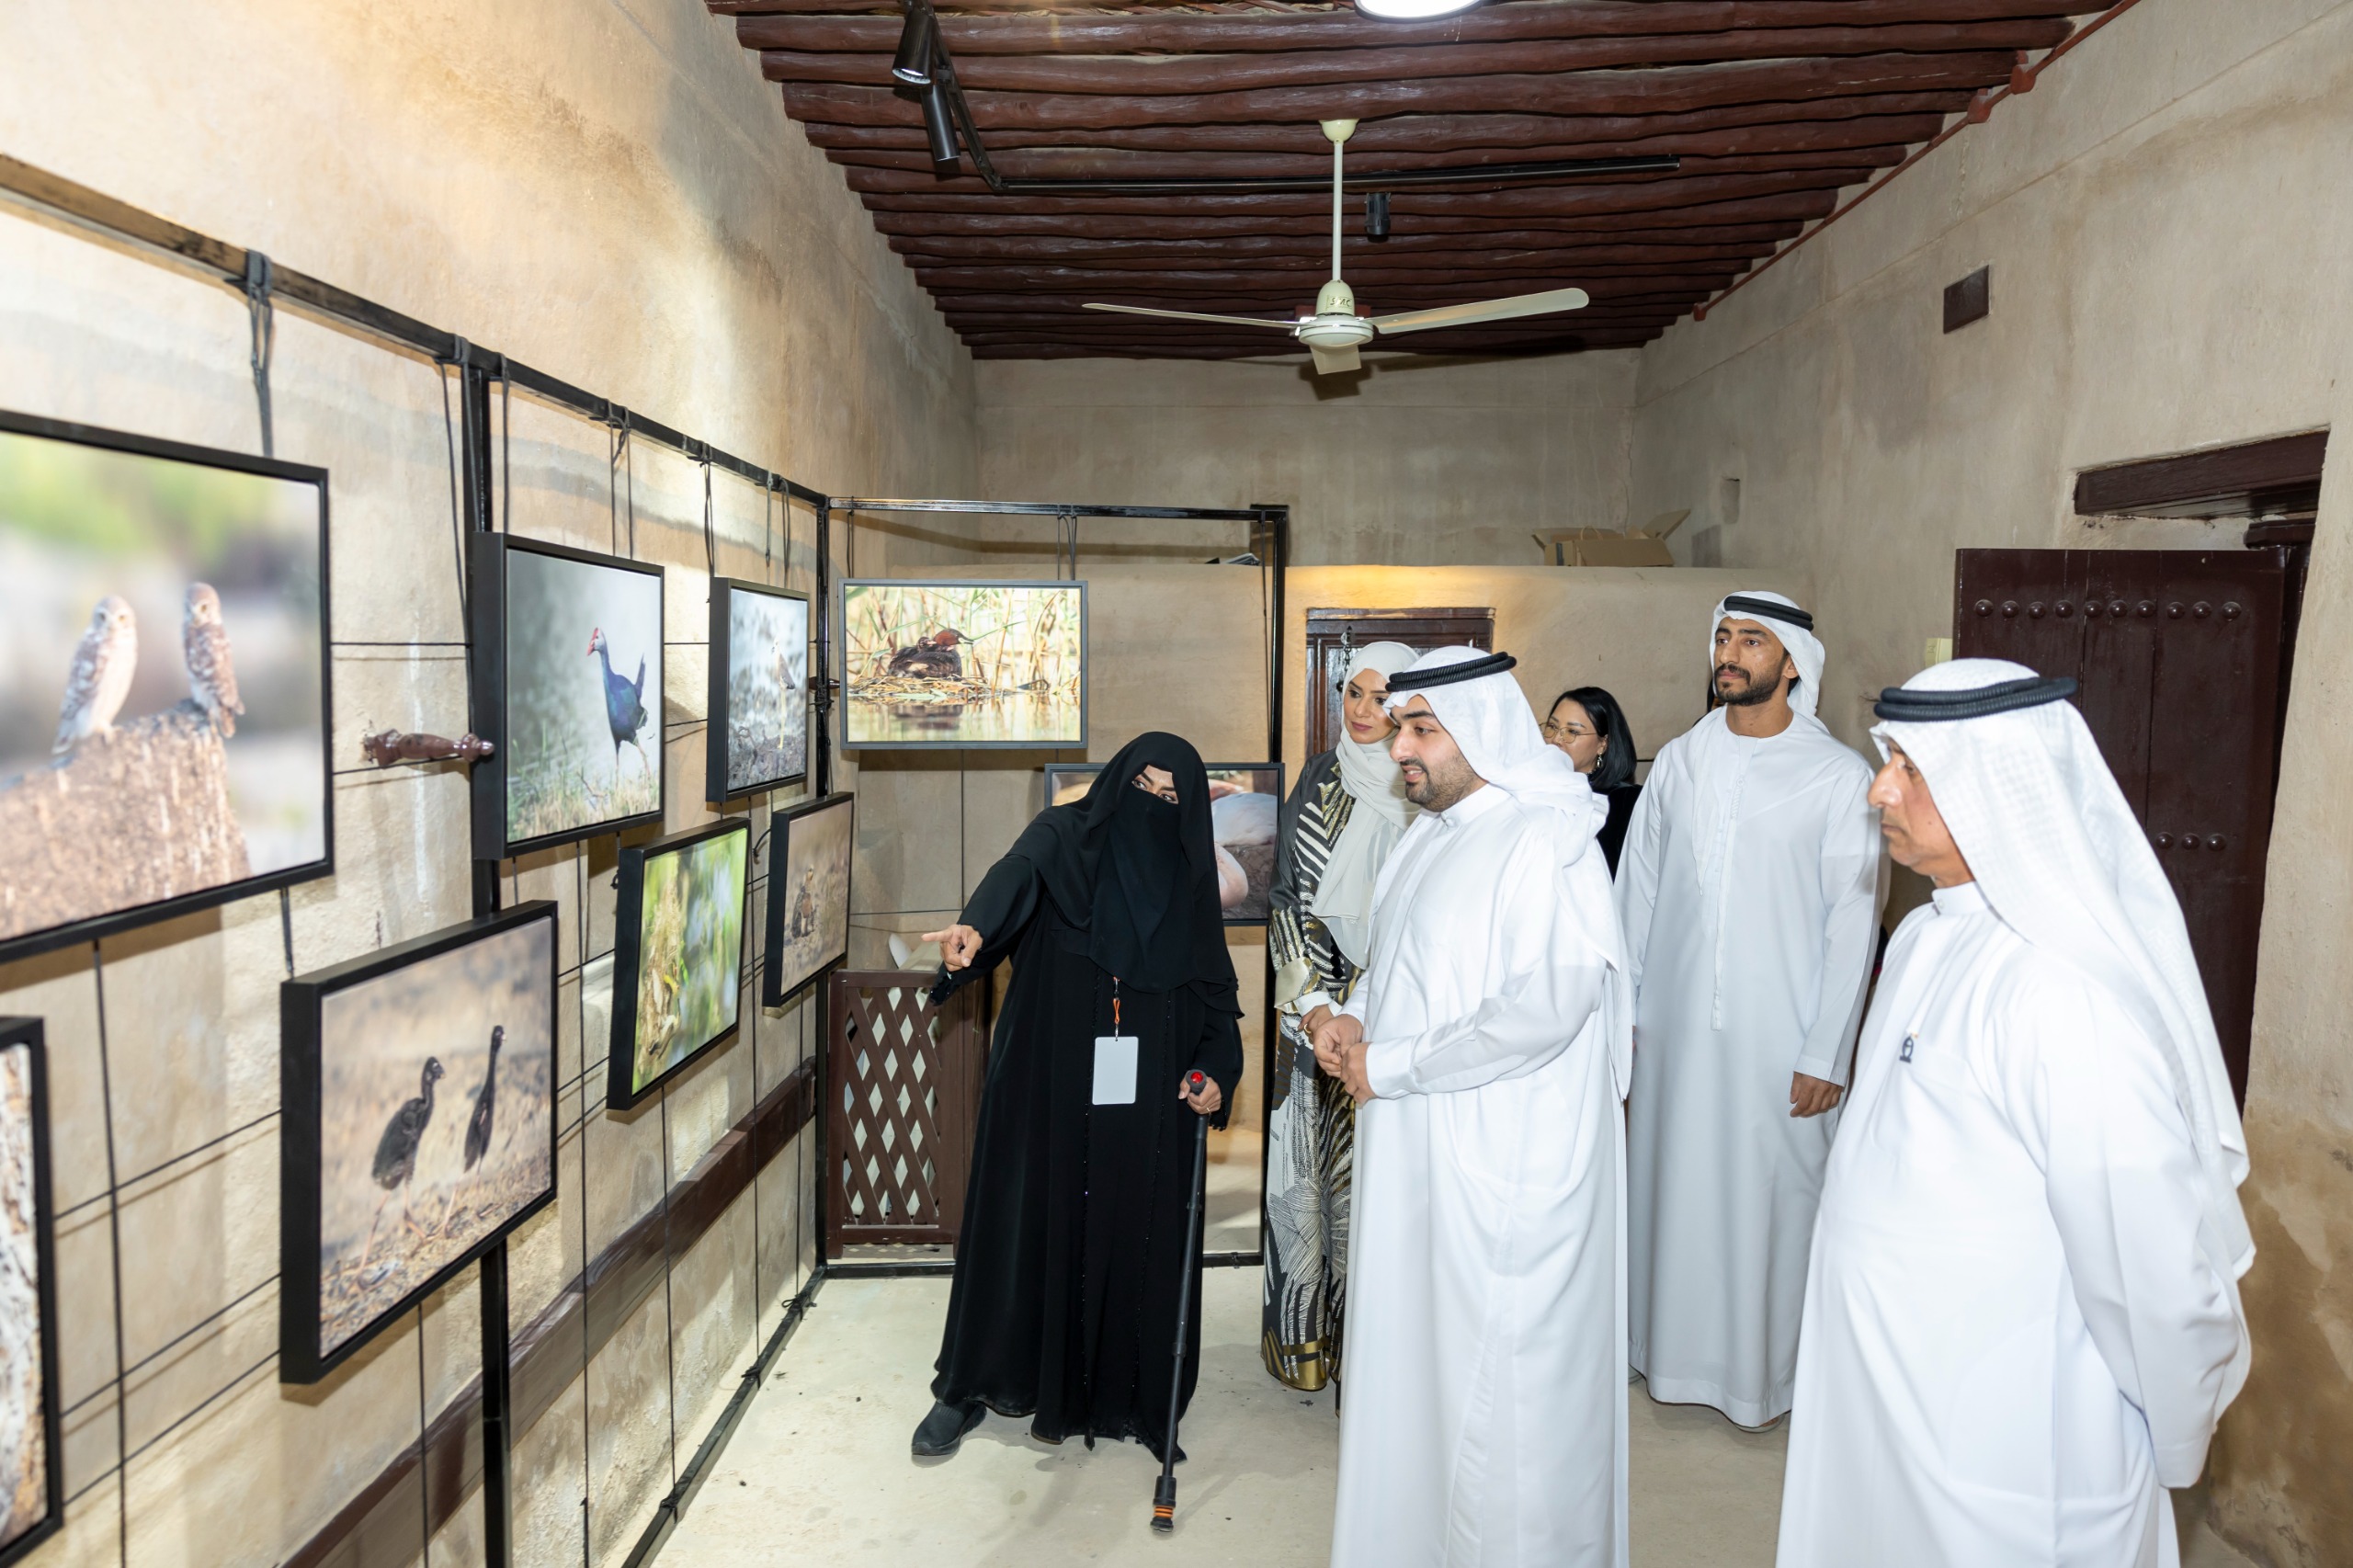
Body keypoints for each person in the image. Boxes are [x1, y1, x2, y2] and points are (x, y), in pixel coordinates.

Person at [1778, 661, 2252, 1567]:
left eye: (1910, 767)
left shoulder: (2061, 990)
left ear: (1999, 786)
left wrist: (2183, 1416)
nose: (1876, 786)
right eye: (1885, 758)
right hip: (1886, 1403)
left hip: (2009, 1436)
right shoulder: (1924, 933)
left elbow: (2145, 1255)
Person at [1311, 645, 1631, 1568]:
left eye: (1420, 728)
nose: (1400, 746)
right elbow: (1399, 962)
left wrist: (1393, 1063)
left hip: (1503, 1176)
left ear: (1480, 729)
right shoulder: (1428, 834)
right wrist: (1349, 1016)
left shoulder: (1547, 837)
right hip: (1418, 1150)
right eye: (1398, 726)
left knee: (1504, 1417)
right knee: (1419, 1382)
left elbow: (1544, 1007)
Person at [910, 733, 1242, 1461]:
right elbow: (1015, 877)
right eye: (1141, 787)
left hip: (1147, 1104)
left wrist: (1219, 1069)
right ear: (1116, 780)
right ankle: (968, 1385)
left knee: (1134, 1230)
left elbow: (1219, 1005)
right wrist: (975, 927)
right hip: (1045, 1081)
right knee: (1021, 1221)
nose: (1151, 806)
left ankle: (1132, 1396)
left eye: (1170, 798)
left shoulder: (1190, 885)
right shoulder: (1062, 837)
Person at [1615, 590, 1880, 1430]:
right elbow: (1637, 897)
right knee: (1672, 1191)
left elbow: (1854, 921)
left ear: (1793, 662)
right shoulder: (1682, 762)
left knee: (1773, 1204)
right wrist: (1624, 1020)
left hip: (1784, 1040)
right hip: (1676, 1034)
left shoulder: (1841, 777)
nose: (1729, 653)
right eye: (1723, 637)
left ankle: (1766, 1379)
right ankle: (1665, 1356)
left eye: (1752, 641)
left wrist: (1827, 1052)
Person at [1263, 640, 1421, 1392]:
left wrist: (1377, 1005)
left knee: (1385, 1190)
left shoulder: (1429, 784)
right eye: (1353, 694)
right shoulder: (1321, 778)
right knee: (1310, 1187)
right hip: (1316, 1022)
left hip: (1405, 1019)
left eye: (1381, 698)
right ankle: (1308, 1345)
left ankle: (1382, 1363)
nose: (1362, 712)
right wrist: (1316, 1008)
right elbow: (1288, 896)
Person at [1543, 685, 1642, 872]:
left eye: (1572, 731)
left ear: (1602, 744)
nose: (1556, 739)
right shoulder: (1530, 790)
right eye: (1553, 727)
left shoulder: (1624, 802)